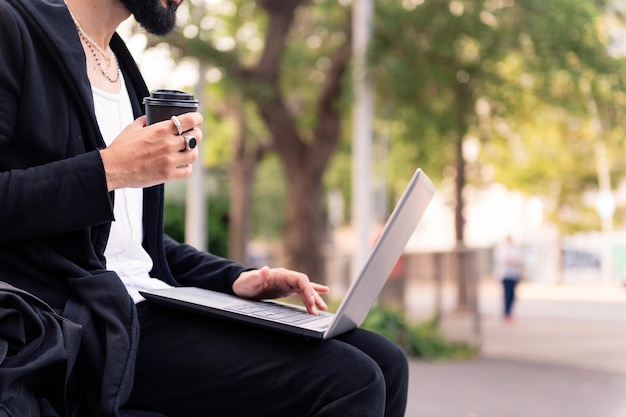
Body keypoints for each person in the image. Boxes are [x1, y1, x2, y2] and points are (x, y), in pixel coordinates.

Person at [0, 0, 408, 416]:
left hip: (150, 304)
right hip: (88, 326)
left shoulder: (122, 68)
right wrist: (108, 169)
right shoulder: (13, 28)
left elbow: (135, 244)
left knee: (387, 362)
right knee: (350, 380)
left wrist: (236, 279)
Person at [493, 235, 524, 323]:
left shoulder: (515, 249)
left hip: (514, 275)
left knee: (512, 294)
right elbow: (502, 260)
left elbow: (519, 260)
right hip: (505, 275)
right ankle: (506, 313)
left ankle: (509, 312)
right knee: (507, 293)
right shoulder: (502, 249)